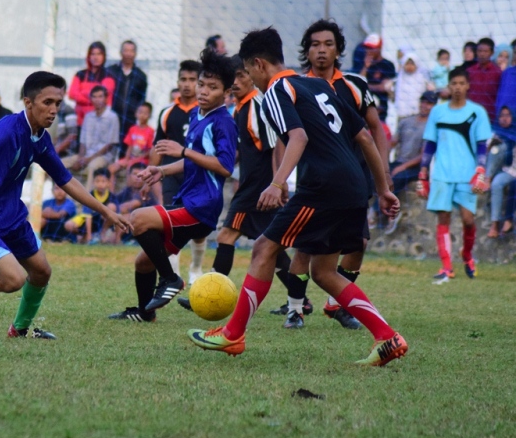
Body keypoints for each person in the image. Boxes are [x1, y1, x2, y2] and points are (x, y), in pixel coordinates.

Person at [187, 27, 407, 367]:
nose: (253, 83)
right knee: (323, 271)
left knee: (263, 247)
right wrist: (382, 189)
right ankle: (387, 337)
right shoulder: (319, 85)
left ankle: (233, 334)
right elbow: (364, 136)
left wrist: (276, 183)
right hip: (352, 185)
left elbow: (298, 137)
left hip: (322, 185)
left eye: (248, 74)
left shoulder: (276, 89)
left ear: (258, 65)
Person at [0, 71, 130, 340]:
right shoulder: (7, 134)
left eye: (58, 103)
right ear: (28, 102)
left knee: (41, 271)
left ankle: (20, 330)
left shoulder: (40, 136)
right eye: (47, 102)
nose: (53, 110)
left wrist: (106, 210)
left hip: (9, 210)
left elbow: (66, 180)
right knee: (13, 280)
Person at [274, 19, 390, 331]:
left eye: (328, 44)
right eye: (314, 44)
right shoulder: (296, 87)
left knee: (357, 246)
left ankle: (337, 305)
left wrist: (385, 178)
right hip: (317, 181)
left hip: (355, 180)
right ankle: (295, 309)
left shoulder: (354, 85)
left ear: (338, 48)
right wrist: (279, 178)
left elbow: (374, 130)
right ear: (306, 51)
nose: (321, 50)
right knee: (306, 247)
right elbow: (283, 138)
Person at [108, 48, 238, 322]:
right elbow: (192, 161)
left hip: (203, 205)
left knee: (138, 219)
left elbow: (225, 166)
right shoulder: (197, 116)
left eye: (212, 87)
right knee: (143, 261)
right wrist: (161, 170)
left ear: (226, 93)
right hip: (188, 200)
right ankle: (145, 314)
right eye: (202, 84)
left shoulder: (223, 122)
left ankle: (170, 278)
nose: (203, 91)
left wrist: (183, 152)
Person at [174, 55, 292, 318]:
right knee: (269, 245)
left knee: (227, 236)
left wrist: (277, 182)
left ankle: (205, 295)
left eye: (242, 76)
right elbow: (238, 153)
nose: (238, 81)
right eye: (235, 76)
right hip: (252, 185)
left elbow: (276, 144)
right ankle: (299, 298)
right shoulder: (238, 109)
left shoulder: (257, 106)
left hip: (258, 187)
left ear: (252, 75)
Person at [417, 67, 492, 283]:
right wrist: (423, 172)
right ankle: (446, 267)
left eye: (461, 83)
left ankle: (467, 255)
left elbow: (481, 145)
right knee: (443, 218)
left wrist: (480, 169)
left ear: (468, 85)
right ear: (448, 86)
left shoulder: (477, 112)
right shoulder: (437, 112)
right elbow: (430, 144)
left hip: (467, 174)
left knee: (468, 220)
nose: (457, 87)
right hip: (441, 173)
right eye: (454, 84)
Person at [151, 60, 206, 283]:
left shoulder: (204, 112)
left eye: (193, 80)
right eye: (183, 79)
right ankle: (173, 275)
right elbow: (157, 146)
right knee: (171, 224)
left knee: (199, 227)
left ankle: (196, 267)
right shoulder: (167, 113)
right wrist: (151, 172)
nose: (187, 84)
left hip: (198, 175)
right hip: (171, 175)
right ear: (177, 81)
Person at [384, 91, 437, 235]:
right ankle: (376, 212)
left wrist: (402, 167)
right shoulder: (406, 121)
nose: (425, 106)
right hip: (399, 161)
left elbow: (423, 155)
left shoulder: (431, 127)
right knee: (377, 176)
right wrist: (383, 160)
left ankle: (390, 215)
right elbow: (392, 143)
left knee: (396, 179)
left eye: (429, 103)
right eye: (424, 102)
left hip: (417, 168)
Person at [62, 85, 119, 190]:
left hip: (103, 156)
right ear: (91, 99)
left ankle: (87, 201)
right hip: (86, 155)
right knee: (60, 163)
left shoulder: (112, 117)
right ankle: (59, 195)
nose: (97, 100)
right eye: (94, 97)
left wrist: (88, 159)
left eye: (100, 96)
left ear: (106, 98)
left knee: (92, 167)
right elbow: (83, 141)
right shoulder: (88, 116)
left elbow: (110, 145)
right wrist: (80, 158)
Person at [107, 40, 148, 156]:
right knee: (109, 146)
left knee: (126, 148)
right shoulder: (111, 71)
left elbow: (142, 99)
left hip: (130, 118)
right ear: (120, 52)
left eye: (131, 51)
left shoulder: (140, 75)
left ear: (135, 54)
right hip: (112, 115)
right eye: (126, 50)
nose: (128, 54)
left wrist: (139, 116)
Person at [68, 41, 116, 127]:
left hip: (100, 122)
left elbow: (102, 96)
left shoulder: (109, 76)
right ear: (89, 56)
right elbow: (72, 94)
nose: (96, 57)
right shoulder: (80, 74)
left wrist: (82, 93)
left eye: (99, 54)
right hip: (80, 122)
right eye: (93, 54)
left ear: (104, 56)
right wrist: (93, 97)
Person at [64, 168, 118, 244]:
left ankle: (103, 233)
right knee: (68, 225)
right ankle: (86, 237)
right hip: (88, 222)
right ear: (93, 182)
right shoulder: (89, 195)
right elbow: (87, 216)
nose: (100, 184)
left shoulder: (112, 197)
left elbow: (117, 214)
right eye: (97, 181)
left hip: (103, 223)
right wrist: (89, 236)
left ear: (109, 183)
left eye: (103, 181)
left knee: (112, 207)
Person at [486, 106, 516, 237]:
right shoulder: (494, 131)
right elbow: (485, 153)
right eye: (502, 115)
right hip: (499, 168)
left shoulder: (514, 132)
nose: (504, 118)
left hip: (513, 170)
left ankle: (500, 223)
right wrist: (491, 145)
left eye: (507, 115)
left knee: (497, 184)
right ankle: (495, 224)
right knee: (496, 148)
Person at [108, 101, 154, 186]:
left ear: (150, 115)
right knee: (111, 169)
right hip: (130, 159)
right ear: (136, 113)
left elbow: (150, 150)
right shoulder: (133, 129)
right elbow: (130, 146)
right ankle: (112, 193)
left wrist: (138, 158)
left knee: (130, 170)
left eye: (145, 113)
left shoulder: (151, 131)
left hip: (142, 160)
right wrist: (126, 159)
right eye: (140, 112)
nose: (142, 115)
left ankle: (127, 193)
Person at [113, 162, 156, 244]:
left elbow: (132, 205)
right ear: (129, 176)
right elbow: (114, 201)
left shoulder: (146, 191)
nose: (137, 178)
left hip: (146, 225)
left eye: (141, 175)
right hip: (130, 227)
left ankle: (116, 241)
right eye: (135, 174)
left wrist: (114, 210)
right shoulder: (127, 191)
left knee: (125, 216)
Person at [357, 33, 396, 122]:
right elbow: (359, 84)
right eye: (367, 48)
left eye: (372, 48)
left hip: (381, 110)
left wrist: (366, 86)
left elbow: (384, 87)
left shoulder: (387, 65)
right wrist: (366, 66)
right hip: (364, 108)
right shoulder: (362, 63)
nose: (368, 51)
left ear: (379, 48)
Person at [467, 37, 501, 121]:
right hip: (471, 115)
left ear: (492, 53)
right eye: (480, 51)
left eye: (485, 51)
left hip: (490, 117)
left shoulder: (498, 72)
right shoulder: (469, 71)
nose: (482, 54)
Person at [394, 52, 433, 123]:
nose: (409, 66)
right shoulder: (399, 79)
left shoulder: (422, 79)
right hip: (402, 114)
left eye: (412, 64)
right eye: (407, 64)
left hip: (417, 114)